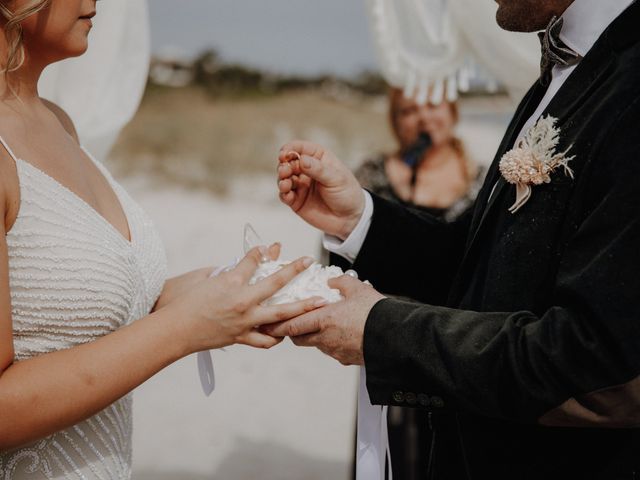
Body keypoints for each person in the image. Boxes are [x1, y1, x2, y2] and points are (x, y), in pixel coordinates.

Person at [272, 0, 640, 478]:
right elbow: (481, 270)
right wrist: (360, 218)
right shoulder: (564, 73)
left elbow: (600, 369)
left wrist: (381, 331)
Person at [0, 2, 324, 478]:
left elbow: (80, 314)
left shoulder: (57, 120)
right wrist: (185, 328)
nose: (96, 1)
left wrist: (219, 287)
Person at [356, 88, 482, 223]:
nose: (424, 118)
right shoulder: (372, 172)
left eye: (433, 105)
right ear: (395, 122)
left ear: (453, 113)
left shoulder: (481, 181)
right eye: (409, 110)